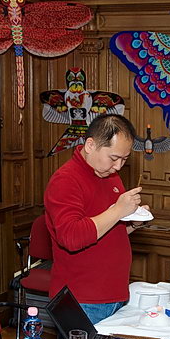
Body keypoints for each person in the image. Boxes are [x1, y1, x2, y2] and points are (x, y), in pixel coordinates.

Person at [44, 113, 146, 324]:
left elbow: (107, 230)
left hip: (113, 294)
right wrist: (118, 211)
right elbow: (71, 237)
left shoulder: (109, 175)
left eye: (124, 159)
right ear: (90, 145)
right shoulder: (65, 180)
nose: (118, 166)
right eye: (114, 158)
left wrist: (133, 224)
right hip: (82, 299)